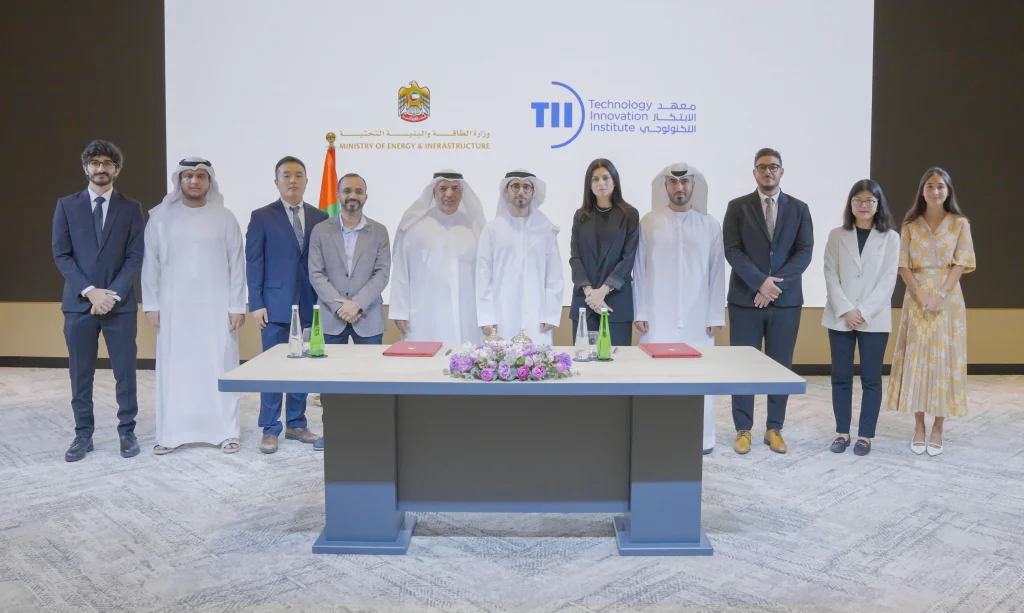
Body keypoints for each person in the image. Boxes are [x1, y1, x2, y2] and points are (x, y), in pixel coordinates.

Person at [142, 158, 247, 455]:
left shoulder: (225, 217)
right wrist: (151, 304)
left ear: (209, 181)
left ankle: (226, 432)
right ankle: (171, 433)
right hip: (174, 309)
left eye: (201, 176)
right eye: (188, 175)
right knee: (176, 370)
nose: (194, 181)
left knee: (221, 365)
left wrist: (237, 306)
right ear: (179, 180)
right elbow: (150, 264)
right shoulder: (160, 218)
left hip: (217, 310)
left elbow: (237, 265)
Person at [51, 140, 145, 462]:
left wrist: (111, 295)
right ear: (85, 168)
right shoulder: (66, 205)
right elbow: (62, 255)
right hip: (79, 305)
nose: (101, 168)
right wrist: (91, 292)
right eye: (95, 163)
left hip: (120, 305)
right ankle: (83, 435)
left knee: (125, 373)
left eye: (107, 163)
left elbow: (135, 256)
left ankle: (127, 432)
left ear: (116, 169)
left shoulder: (131, 208)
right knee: (81, 374)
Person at [723, 148, 813, 455]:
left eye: (773, 167)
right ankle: (743, 428)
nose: (768, 172)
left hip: (785, 303)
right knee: (742, 367)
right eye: (761, 167)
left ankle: (774, 428)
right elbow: (733, 250)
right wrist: (759, 282)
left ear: (781, 171)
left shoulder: (799, 209)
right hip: (745, 301)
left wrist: (773, 286)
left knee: (780, 366)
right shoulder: (737, 207)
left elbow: (804, 252)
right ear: (754, 173)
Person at [633, 163, 726, 454]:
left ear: (694, 185)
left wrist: (715, 314)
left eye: (685, 182)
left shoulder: (709, 224)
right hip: (657, 317)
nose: (679, 187)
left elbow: (717, 272)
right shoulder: (649, 222)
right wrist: (640, 311)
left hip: (699, 318)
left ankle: (703, 439)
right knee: (656, 376)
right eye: (673, 182)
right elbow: (639, 269)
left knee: (701, 376)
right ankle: (655, 437)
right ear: (665, 186)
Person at [883, 167, 975, 457]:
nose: (936, 191)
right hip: (917, 297)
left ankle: (938, 427)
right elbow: (902, 265)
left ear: (948, 191)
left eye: (941, 186)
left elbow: (961, 262)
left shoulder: (959, 224)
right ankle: (919, 426)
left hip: (948, 299)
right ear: (922, 191)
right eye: (930, 186)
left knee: (944, 360)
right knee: (918, 360)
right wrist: (921, 294)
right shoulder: (910, 225)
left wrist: (941, 295)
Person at [245, 156, 327, 454]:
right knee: (272, 368)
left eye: (298, 175)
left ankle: (296, 423)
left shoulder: (321, 217)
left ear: (306, 180)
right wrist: (256, 303)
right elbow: (254, 262)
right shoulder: (262, 216)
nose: (293, 180)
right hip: (274, 306)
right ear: (276, 181)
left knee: (302, 368)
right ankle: (270, 428)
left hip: (310, 305)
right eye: (286, 175)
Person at [821, 180, 900, 456]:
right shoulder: (836, 235)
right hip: (840, 317)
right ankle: (842, 432)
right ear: (850, 204)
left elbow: (888, 280)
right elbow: (830, 273)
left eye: (869, 201)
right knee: (841, 377)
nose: (863, 205)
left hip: (874, 319)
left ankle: (865, 435)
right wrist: (846, 309)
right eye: (858, 200)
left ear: (878, 205)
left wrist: (863, 312)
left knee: (871, 379)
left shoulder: (891, 238)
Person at [390, 170, 485, 345]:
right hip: (424, 313)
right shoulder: (414, 226)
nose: (449, 194)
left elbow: (484, 274)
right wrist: (400, 311)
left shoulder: (475, 228)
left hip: (466, 312)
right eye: (443, 188)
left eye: (455, 189)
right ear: (434, 191)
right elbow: (401, 271)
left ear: (462, 192)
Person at [476, 170, 563, 345]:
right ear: (506, 191)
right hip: (501, 315)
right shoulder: (492, 229)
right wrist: (486, 317)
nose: (521, 191)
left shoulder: (546, 229)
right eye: (515, 186)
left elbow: (554, 274)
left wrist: (551, 314)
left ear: (533, 192)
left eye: (526, 187)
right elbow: (483, 275)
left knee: (537, 359)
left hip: (537, 316)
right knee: (501, 358)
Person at [309, 173, 391, 343]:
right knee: (329, 362)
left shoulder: (379, 231)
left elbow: (382, 274)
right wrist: (341, 307)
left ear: (365, 197)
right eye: (347, 191)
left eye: (358, 191)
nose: (353, 196)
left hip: (368, 317)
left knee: (370, 363)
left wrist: (357, 304)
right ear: (338, 195)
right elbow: (316, 274)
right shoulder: (320, 230)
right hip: (331, 317)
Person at [568, 159, 640, 346]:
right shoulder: (580, 215)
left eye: (606, 178)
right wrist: (590, 292)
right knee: (584, 358)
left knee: (618, 360)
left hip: (616, 301)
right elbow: (575, 258)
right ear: (589, 184)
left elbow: (628, 258)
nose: (601, 183)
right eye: (595, 179)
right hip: (585, 301)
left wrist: (604, 290)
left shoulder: (629, 214)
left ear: (614, 181)